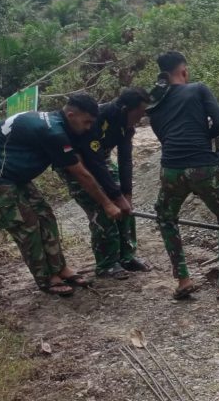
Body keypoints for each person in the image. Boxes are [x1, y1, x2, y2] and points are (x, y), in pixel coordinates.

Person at [0, 93, 122, 297]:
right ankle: (46, 279)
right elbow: (81, 173)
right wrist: (108, 204)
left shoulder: (57, 123)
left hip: (13, 173)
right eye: (87, 122)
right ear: (71, 114)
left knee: (45, 215)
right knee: (26, 226)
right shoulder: (54, 132)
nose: (89, 127)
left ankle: (59, 268)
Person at [147, 51, 219, 300]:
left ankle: (183, 280)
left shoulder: (154, 101)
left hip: (170, 169)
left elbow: (161, 134)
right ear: (184, 72)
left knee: (166, 217)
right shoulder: (198, 89)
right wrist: (203, 137)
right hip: (203, 167)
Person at [56, 88, 151, 279]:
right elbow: (94, 164)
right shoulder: (97, 119)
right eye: (139, 113)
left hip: (102, 159)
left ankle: (126, 256)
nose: (141, 118)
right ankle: (106, 263)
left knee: (125, 208)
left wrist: (126, 194)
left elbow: (125, 159)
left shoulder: (126, 125)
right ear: (126, 108)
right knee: (103, 209)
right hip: (79, 163)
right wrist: (113, 197)